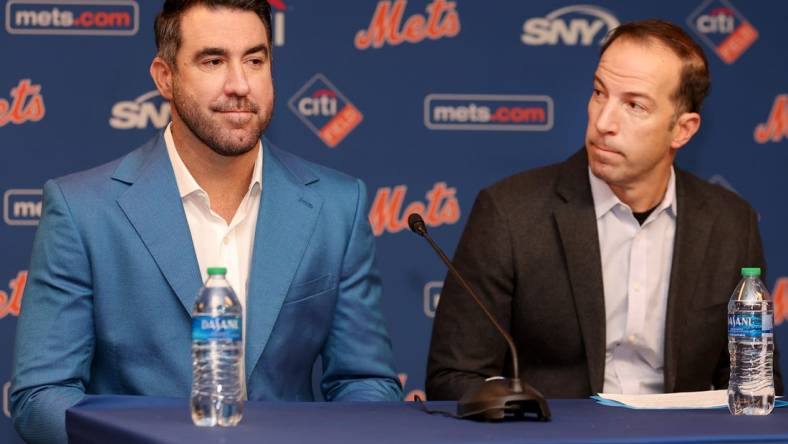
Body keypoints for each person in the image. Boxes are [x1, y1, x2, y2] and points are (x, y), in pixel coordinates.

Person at [11, 1, 402, 442]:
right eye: (213, 61)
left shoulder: (337, 205)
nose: (239, 84)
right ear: (165, 77)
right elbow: (41, 397)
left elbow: (365, 383)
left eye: (254, 60)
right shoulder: (83, 209)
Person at [426, 19, 783, 400]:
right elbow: (454, 377)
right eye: (599, 93)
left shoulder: (730, 223)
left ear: (683, 129)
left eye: (634, 105)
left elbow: (755, 380)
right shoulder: (510, 213)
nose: (603, 122)